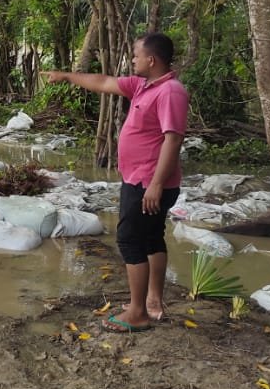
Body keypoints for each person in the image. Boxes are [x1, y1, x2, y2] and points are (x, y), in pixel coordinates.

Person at [45, 33, 188, 332]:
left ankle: (137, 313)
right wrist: (67, 76)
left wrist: (156, 184)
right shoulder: (142, 85)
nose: (132, 59)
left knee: (129, 240)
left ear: (152, 60)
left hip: (148, 183)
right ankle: (152, 302)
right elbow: (104, 82)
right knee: (150, 238)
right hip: (139, 179)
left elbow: (173, 140)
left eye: (136, 55)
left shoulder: (170, 92)